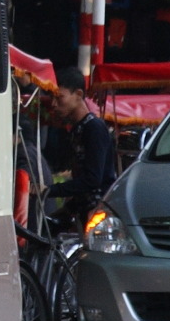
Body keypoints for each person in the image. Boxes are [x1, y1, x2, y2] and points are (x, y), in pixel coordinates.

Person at [46, 66, 118, 228]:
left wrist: (49, 190)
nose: (54, 104)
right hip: (81, 209)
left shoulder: (94, 128)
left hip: (98, 213)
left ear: (78, 95)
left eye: (59, 98)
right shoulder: (76, 129)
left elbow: (92, 180)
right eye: (52, 98)